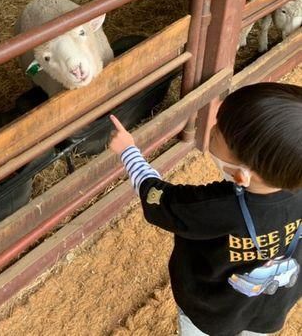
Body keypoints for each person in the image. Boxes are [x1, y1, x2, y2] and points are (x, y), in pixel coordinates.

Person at [109, 82, 302, 336]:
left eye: (218, 132)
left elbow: (158, 197)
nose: (212, 126)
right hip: (272, 308)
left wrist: (128, 151)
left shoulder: (211, 208)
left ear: (241, 176)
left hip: (211, 313)